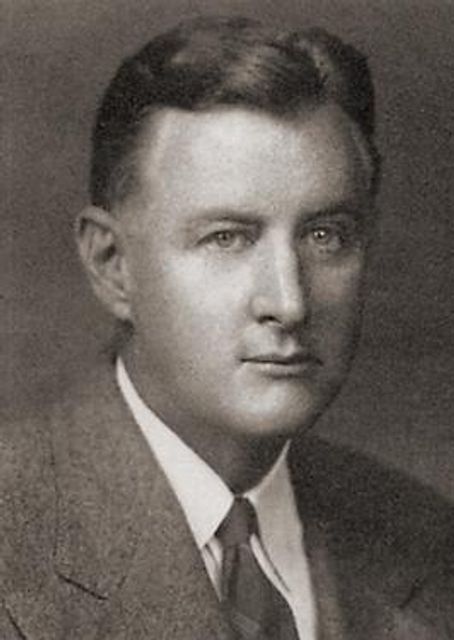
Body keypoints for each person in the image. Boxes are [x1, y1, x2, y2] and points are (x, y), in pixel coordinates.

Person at [1, 15, 453, 640]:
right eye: (227, 238)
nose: (289, 303)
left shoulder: (428, 537)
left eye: (325, 235)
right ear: (112, 264)